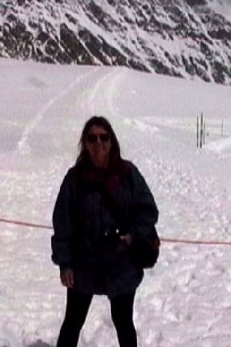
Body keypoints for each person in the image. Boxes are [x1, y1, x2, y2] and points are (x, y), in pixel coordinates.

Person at [51, 116, 159, 347]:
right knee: (73, 321)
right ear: (85, 144)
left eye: (104, 137)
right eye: (92, 138)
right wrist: (66, 264)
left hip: (122, 263)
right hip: (84, 264)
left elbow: (148, 211)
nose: (98, 143)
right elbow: (63, 224)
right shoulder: (74, 179)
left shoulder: (128, 173)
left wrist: (130, 235)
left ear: (112, 141)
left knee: (123, 321)